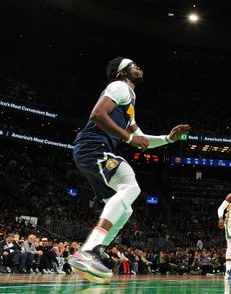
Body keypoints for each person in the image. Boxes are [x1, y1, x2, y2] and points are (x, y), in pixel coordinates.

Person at [68, 57, 189, 283]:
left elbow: (141, 140)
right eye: (133, 65)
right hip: (94, 147)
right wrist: (127, 138)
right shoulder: (119, 86)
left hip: (92, 150)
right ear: (123, 72)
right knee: (130, 185)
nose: (139, 68)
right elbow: (97, 114)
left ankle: (95, 251)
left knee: (126, 211)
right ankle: (89, 250)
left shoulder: (129, 101)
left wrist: (169, 139)